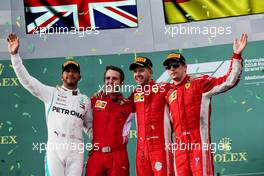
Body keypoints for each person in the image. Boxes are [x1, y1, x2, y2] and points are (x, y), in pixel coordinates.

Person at [7, 33, 92, 176]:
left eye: (74, 71)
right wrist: (15, 56)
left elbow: (90, 128)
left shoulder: (85, 100)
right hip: (55, 149)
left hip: (76, 151)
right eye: (67, 71)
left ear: (80, 77)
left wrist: (95, 143)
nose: (70, 74)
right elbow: (27, 80)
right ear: (61, 76)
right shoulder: (51, 93)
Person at [164, 33, 248, 176]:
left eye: (175, 65)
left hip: (199, 146)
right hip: (179, 149)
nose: (172, 69)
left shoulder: (200, 83)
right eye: (168, 66)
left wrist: (236, 56)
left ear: (185, 67)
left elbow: (229, 80)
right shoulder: (167, 94)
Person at [86, 66, 134, 176]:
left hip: (118, 156)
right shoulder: (94, 100)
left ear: (121, 83)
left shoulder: (129, 104)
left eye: (114, 79)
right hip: (96, 156)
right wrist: (90, 133)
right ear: (104, 81)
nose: (110, 81)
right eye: (108, 78)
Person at [129, 56, 174, 176]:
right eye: (135, 71)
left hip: (161, 148)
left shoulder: (164, 88)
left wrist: (191, 80)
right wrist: (104, 95)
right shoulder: (135, 94)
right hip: (141, 151)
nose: (138, 74)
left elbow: (182, 92)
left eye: (141, 70)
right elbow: (120, 108)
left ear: (151, 71)